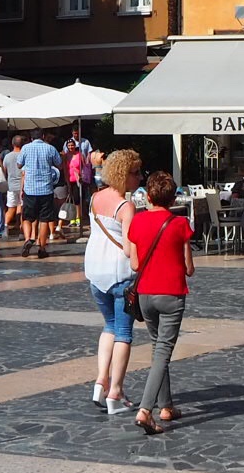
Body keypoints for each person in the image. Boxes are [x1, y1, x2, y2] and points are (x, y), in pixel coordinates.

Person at [128, 171, 196, 434]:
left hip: (145, 294)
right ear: (173, 197)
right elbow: (189, 268)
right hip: (171, 294)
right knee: (163, 352)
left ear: (147, 195)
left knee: (158, 349)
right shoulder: (179, 224)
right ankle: (146, 410)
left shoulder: (137, 222)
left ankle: (166, 405)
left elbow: (134, 263)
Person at [83, 148, 143, 417]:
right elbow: (131, 250)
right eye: (136, 173)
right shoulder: (125, 206)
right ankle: (115, 392)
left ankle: (100, 381)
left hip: (95, 271)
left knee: (108, 326)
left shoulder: (95, 198)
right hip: (119, 273)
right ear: (124, 174)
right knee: (123, 333)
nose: (139, 178)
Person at [18, 127, 62, 258]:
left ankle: (27, 239)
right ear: (43, 136)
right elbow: (59, 164)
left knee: (27, 218)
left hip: (30, 189)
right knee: (44, 219)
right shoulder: (50, 148)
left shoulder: (25, 148)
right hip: (46, 189)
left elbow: (19, 165)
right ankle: (41, 248)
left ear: (31, 137)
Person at [2, 133, 27, 235]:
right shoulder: (24, 155)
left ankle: (4, 228)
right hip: (24, 186)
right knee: (22, 208)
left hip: (11, 186)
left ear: (12, 144)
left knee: (11, 208)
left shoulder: (7, 156)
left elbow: (4, 171)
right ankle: (22, 230)